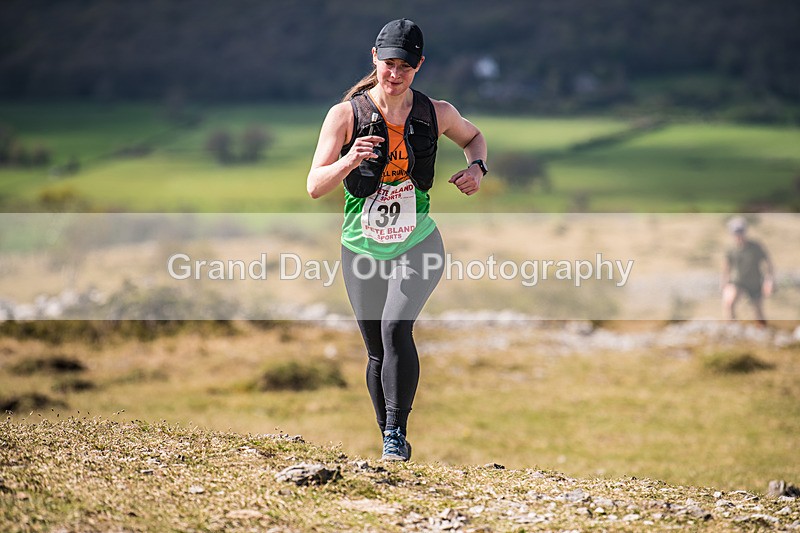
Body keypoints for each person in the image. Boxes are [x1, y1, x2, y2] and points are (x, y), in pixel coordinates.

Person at [307, 18, 488, 461]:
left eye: (405, 66)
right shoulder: (345, 115)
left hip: (418, 242)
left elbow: (474, 137)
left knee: (395, 329)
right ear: (375, 58)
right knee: (375, 351)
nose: (395, 73)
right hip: (361, 248)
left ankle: (394, 436)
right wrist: (349, 160)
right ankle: (389, 432)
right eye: (388, 63)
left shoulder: (435, 112)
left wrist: (476, 170)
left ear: (418, 66)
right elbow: (315, 184)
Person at [721, 216, 774, 326]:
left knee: (758, 311)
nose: (739, 235)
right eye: (736, 232)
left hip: (755, 283)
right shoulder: (731, 250)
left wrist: (769, 281)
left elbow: (768, 263)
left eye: (741, 231)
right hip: (738, 282)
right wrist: (725, 284)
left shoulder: (755, 247)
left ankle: (763, 330)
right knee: (729, 303)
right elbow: (726, 268)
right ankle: (731, 327)